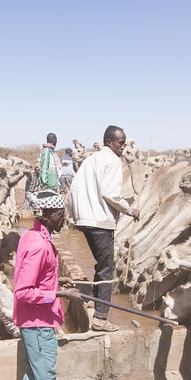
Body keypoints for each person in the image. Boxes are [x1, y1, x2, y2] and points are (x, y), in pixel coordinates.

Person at [2, 190, 81, 380]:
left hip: (32, 320)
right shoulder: (38, 246)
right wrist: (59, 295)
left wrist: (57, 281)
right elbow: (23, 291)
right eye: (60, 214)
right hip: (37, 323)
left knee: (35, 369)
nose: (64, 219)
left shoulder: (32, 235)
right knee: (46, 372)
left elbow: (37, 278)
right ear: (45, 215)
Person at [67, 125, 139, 332]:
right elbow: (111, 194)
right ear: (109, 142)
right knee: (107, 268)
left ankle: (94, 300)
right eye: (121, 143)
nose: (123, 147)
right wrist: (130, 210)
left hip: (84, 221)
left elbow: (72, 191)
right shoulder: (113, 161)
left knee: (101, 263)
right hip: (101, 222)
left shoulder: (90, 160)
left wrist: (75, 215)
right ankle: (101, 318)